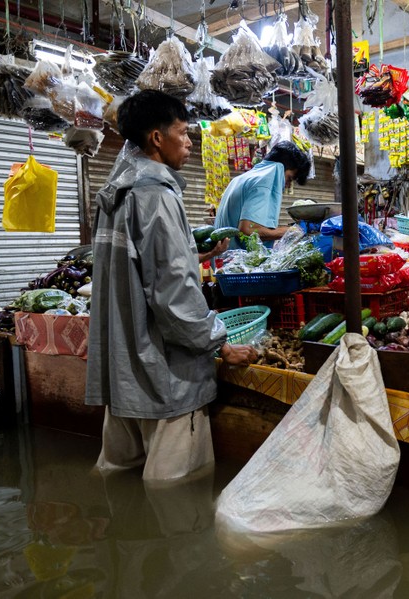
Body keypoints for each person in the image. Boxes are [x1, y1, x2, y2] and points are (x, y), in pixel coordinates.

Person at [86, 90, 258, 482]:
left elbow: (133, 271)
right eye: (183, 132)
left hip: (123, 375)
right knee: (178, 504)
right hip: (164, 379)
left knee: (119, 489)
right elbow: (175, 295)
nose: (189, 141)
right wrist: (219, 342)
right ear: (156, 139)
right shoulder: (156, 196)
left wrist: (194, 258)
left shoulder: (115, 192)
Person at [213, 140, 312, 248]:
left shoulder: (241, 178)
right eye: (289, 178)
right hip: (234, 261)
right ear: (281, 168)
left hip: (222, 260)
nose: (287, 185)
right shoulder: (264, 181)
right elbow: (247, 230)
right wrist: (289, 231)